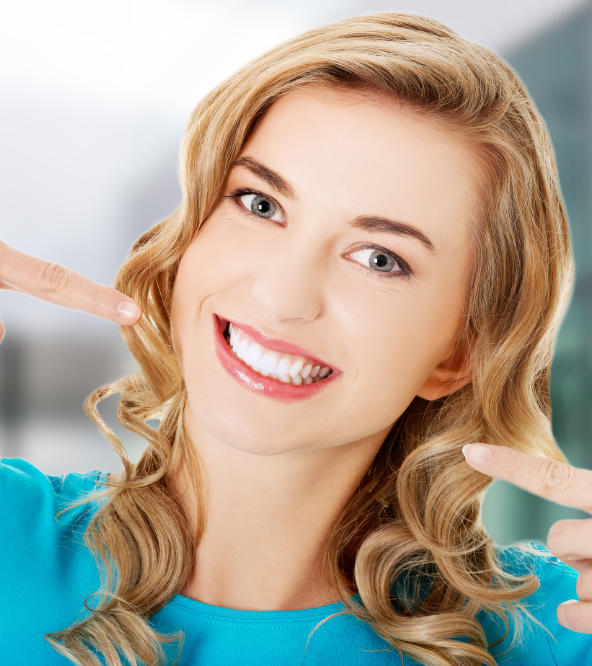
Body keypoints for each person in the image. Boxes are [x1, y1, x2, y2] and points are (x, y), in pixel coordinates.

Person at [0, 11, 590, 666]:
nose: (281, 298)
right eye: (260, 204)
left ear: (458, 355)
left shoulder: (565, 630)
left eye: (379, 258)